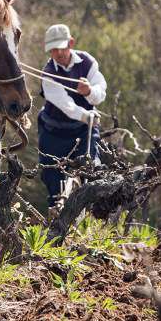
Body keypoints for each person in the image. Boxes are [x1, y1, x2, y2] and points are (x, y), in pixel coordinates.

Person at [38, 24, 107, 209]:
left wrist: (89, 91)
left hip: (84, 131)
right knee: (52, 179)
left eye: (61, 47)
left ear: (71, 43)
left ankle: (91, 216)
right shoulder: (48, 74)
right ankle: (57, 218)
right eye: (53, 49)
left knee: (91, 170)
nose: (58, 53)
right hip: (53, 132)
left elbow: (101, 91)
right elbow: (66, 105)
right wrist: (86, 115)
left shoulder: (87, 62)